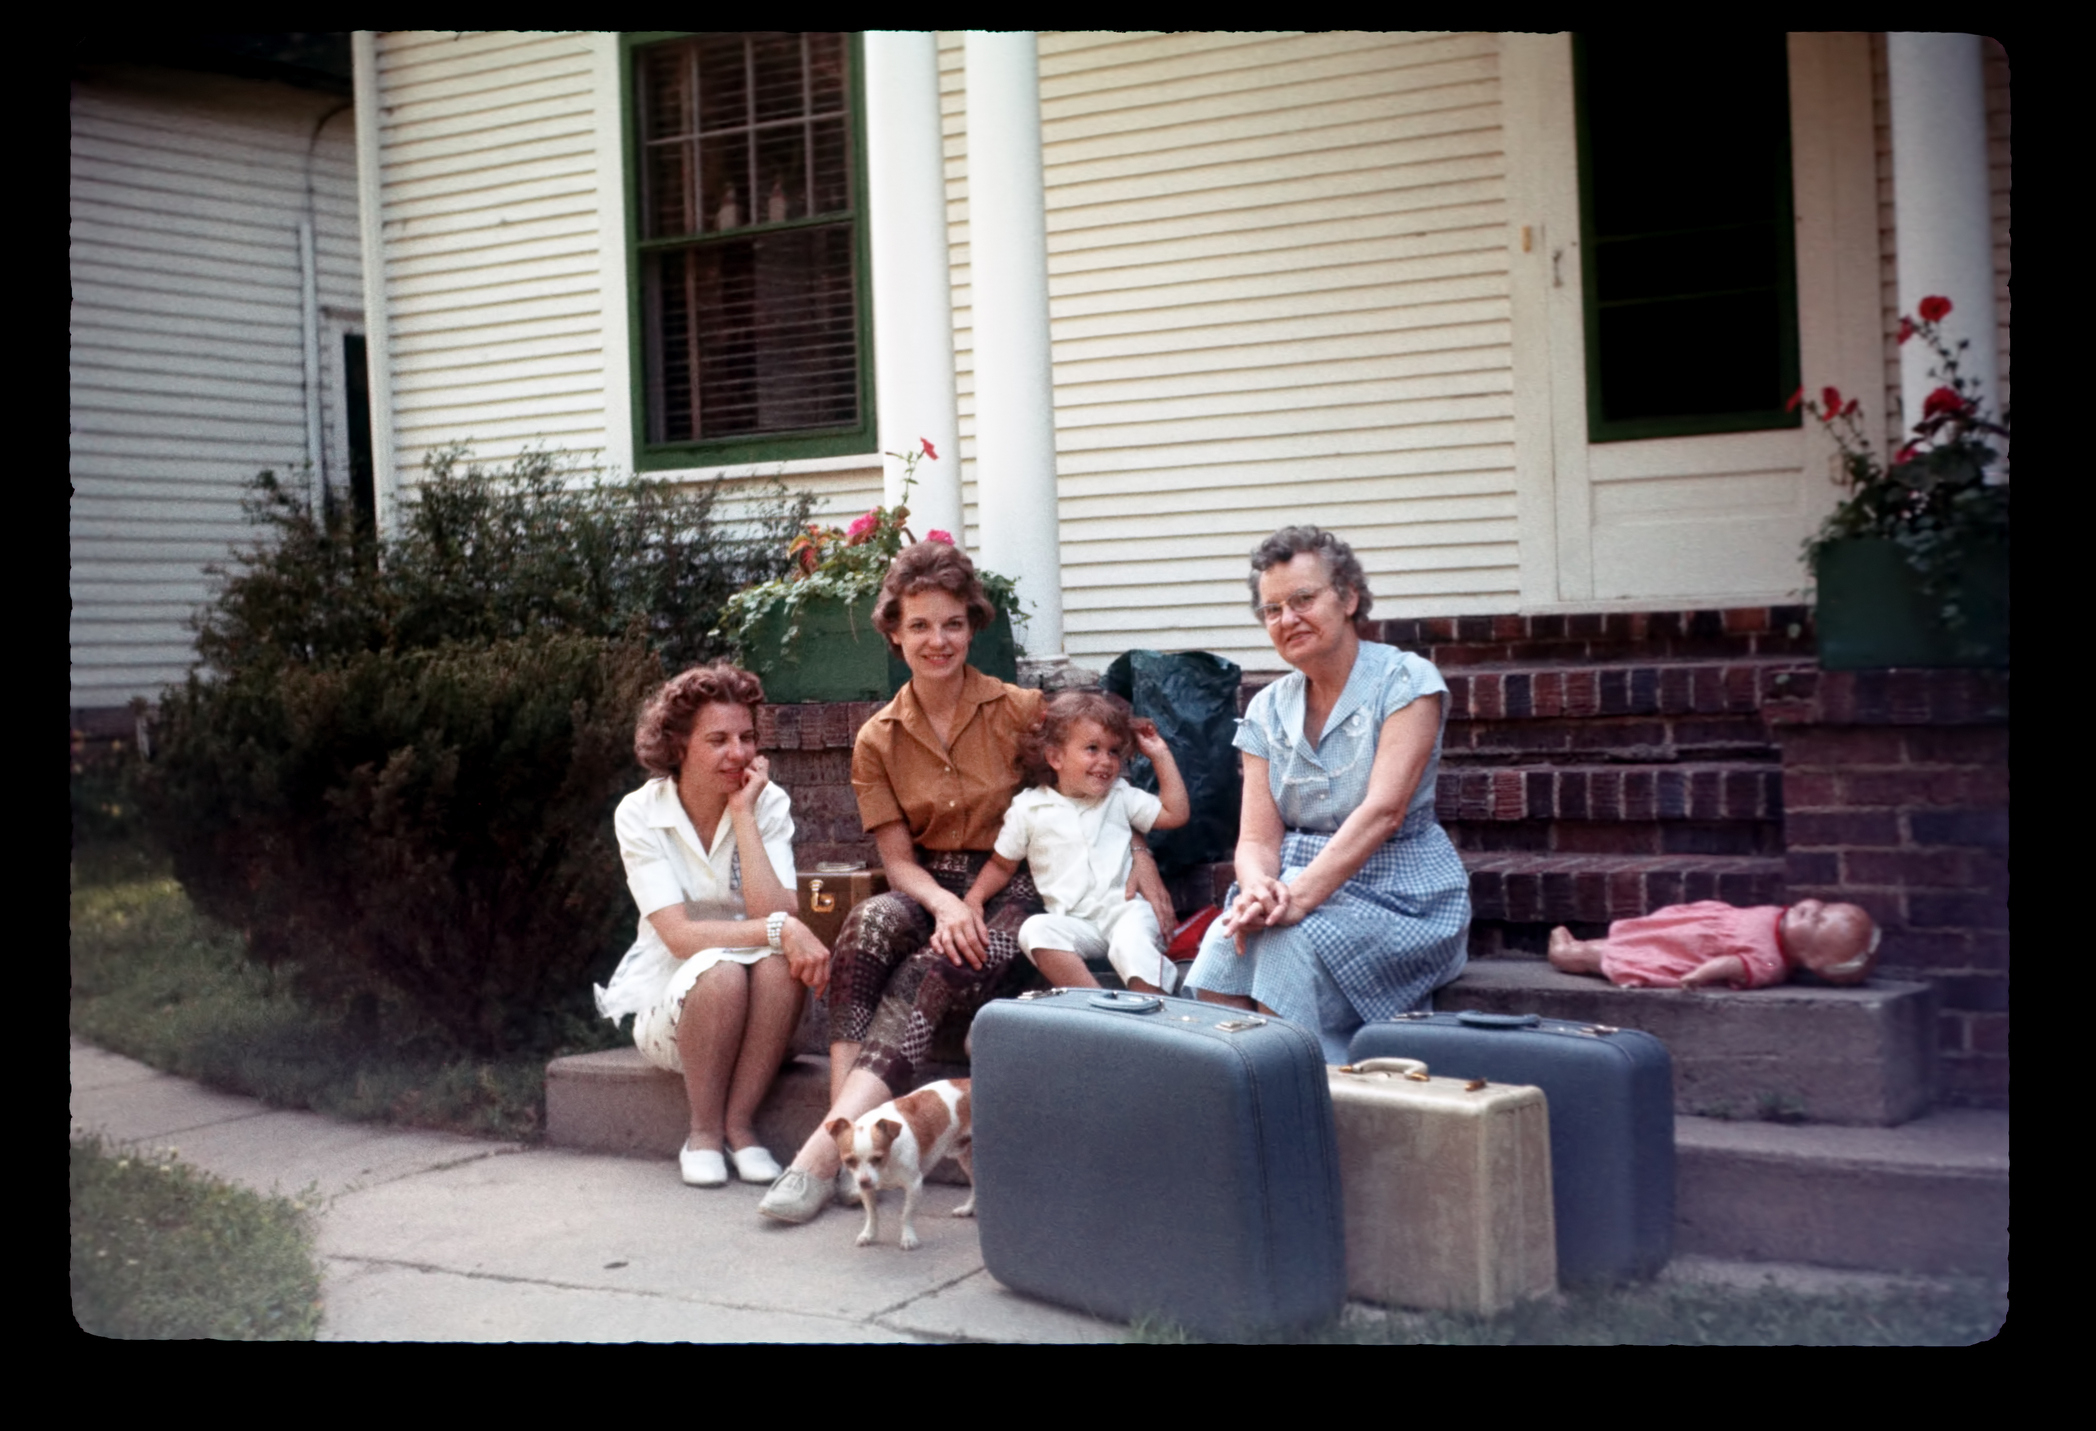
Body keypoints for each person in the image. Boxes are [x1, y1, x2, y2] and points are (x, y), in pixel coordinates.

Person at [759, 539, 1171, 1223]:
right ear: (893, 632)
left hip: (1016, 884)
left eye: (952, 622)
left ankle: (818, 1157)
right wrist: (946, 900)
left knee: (934, 965)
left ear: (973, 626)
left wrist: (1140, 851)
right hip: (930, 883)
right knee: (864, 930)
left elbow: (1094, 782)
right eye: (918, 624)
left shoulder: (1022, 709)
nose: (937, 639)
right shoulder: (879, 738)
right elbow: (898, 862)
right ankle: (844, 1139)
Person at [1183, 526, 1470, 1062]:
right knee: (1226, 941)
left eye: (1303, 599)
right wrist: (1256, 891)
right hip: (1294, 886)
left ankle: (1311, 1094)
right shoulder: (1267, 708)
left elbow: (1384, 813)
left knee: (1285, 944)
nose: (1287, 619)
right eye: (1272, 609)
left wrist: (1296, 901)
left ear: (1349, 597)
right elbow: (1256, 839)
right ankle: (1243, 1101)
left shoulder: (1405, 681)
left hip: (1399, 893)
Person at [594, 664, 831, 1188]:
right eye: (718, 740)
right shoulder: (639, 814)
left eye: (747, 738)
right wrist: (775, 932)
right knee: (723, 970)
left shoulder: (767, 802)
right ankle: (701, 1133)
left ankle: (739, 1127)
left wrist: (743, 814)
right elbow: (678, 936)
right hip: (676, 1005)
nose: (739, 754)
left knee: (778, 967)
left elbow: (778, 910)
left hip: (761, 1020)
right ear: (678, 746)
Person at [965, 690, 1191, 995]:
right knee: (1035, 930)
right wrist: (974, 899)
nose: (1106, 761)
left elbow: (1175, 814)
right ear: (1055, 757)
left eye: (1113, 751)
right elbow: (1002, 865)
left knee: (1130, 942)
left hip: (1125, 912)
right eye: (1092, 748)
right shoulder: (1028, 809)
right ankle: (1097, 1006)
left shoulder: (1119, 796)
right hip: (1074, 923)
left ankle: (1152, 1012)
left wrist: (1160, 754)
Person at [1546, 899, 1881, 989]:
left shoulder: (1770, 963)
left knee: (1619, 954)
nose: (1813, 909)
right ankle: (1582, 947)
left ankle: (1567, 954)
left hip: (1685, 951)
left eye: (1818, 922)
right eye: (1822, 907)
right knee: (1630, 940)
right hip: (1682, 931)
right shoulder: (1781, 921)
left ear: (1810, 958)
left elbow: (1733, 965)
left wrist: (1699, 976)